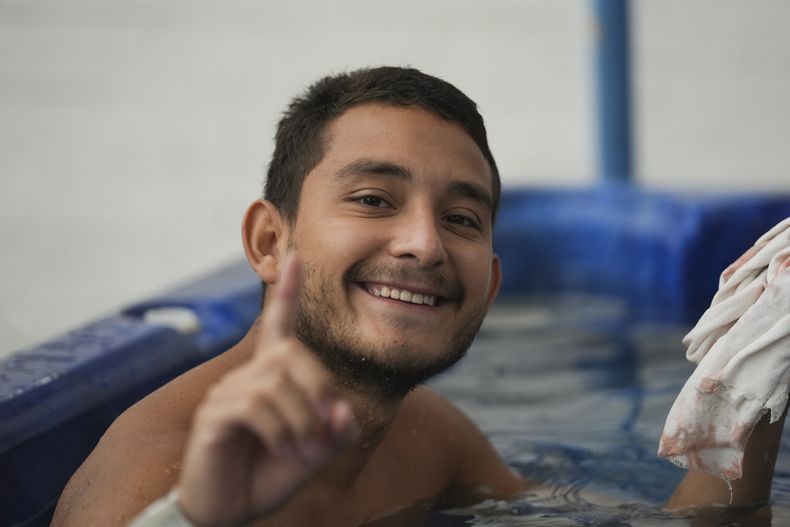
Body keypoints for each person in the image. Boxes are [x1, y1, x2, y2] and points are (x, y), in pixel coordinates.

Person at [51, 67, 786, 527]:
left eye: (462, 219)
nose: (425, 244)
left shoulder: (426, 438)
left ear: (490, 285)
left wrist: (742, 386)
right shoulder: (156, 479)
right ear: (270, 244)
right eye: (374, 198)